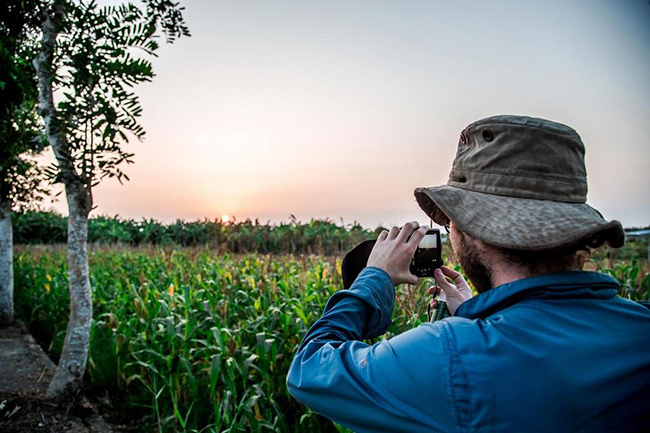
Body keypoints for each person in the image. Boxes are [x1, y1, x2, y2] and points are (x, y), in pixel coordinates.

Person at [286, 115, 650, 432]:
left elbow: (309, 370)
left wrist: (374, 277)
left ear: (475, 230)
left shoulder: (450, 352)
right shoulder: (639, 327)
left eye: (451, 223)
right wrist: (478, 314)